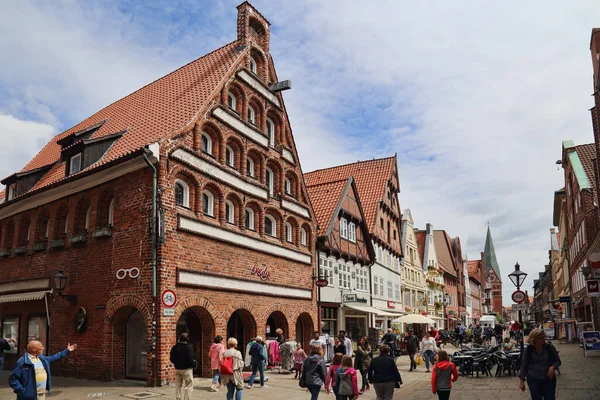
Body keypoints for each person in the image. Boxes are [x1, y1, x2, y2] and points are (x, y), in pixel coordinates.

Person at [9, 340, 77, 400]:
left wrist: (67, 350)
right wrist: (23, 391)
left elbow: (55, 357)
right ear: (34, 349)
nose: (43, 348)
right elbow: (13, 380)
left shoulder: (42, 359)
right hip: (27, 397)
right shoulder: (23, 362)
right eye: (41, 347)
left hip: (41, 395)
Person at [518, 328, 561, 400]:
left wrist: (552, 367)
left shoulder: (549, 347)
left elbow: (558, 361)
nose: (543, 339)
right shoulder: (529, 349)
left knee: (550, 397)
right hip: (534, 379)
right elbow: (524, 365)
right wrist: (521, 382)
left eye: (543, 337)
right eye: (540, 338)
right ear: (534, 339)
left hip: (548, 378)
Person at [169, 333, 196, 400]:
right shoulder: (188, 347)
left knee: (178, 385)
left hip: (177, 368)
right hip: (187, 369)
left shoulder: (174, 347)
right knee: (189, 386)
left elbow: (171, 358)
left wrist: (176, 363)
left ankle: (178, 398)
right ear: (188, 339)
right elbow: (190, 358)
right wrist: (193, 365)